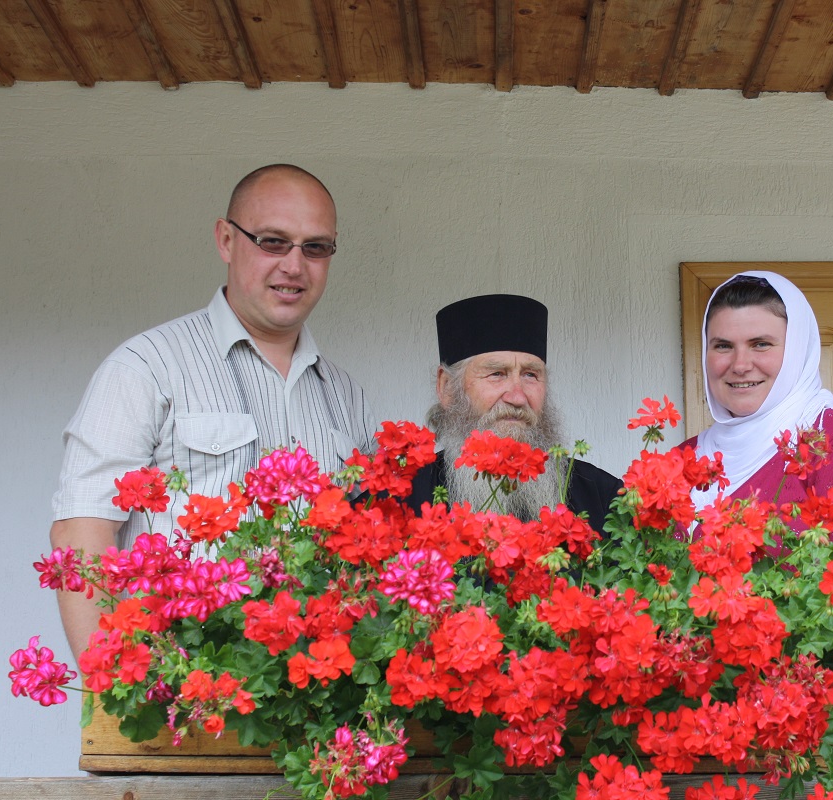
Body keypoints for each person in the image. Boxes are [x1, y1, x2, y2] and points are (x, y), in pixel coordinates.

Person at [50, 164, 374, 662]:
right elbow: (81, 534)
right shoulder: (147, 367)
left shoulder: (343, 393)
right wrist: (114, 691)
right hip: (182, 694)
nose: (294, 265)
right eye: (272, 241)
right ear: (225, 240)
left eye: (315, 247)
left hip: (312, 694)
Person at [688, 270, 833, 773]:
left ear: (796, 351)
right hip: (715, 749)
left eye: (761, 344)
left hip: (825, 753)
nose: (739, 364)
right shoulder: (687, 459)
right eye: (722, 345)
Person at [406, 294, 621, 533]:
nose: (517, 397)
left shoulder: (603, 498)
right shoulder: (399, 504)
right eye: (496, 373)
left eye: (530, 375)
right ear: (447, 387)